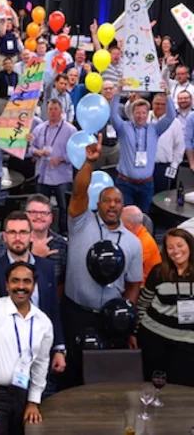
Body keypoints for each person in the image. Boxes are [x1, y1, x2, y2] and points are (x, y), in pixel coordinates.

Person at [63, 135, 143, 388]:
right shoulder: (80, 222)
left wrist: (126, 320)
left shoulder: (132, 243)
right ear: (98, 203)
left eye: (117, 201)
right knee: (71, 373)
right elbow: (78, 193)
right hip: (76, 313)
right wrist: (89, 163)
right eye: (107, 200)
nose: (112, 205)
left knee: (104, 380)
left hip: (110, 319)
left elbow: (133, 285)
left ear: (123, 206)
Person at [0, 224, 54, 434]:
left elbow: (41, 364)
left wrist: (34, 401)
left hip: (21, 396)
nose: (21, 286)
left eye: (26, 282)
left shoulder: (43, 323)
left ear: (34, 286)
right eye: (15, 281)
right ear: (6, 285)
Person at [0, 211, 66, 372]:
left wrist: (59, 348)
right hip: (5, 357)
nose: (18, 238)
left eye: (23, 232)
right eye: (12, 232)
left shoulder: (46, 267)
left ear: (31, 236)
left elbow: (53, 310)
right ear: (4, 237)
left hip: (41, 353)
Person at [133, 228, 194, 386]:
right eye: (170, 247)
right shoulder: (159, 272)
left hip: (187, 342)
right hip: (154, 336)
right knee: (151, 384)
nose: (176, 251)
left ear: (189, 246)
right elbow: (143, 304)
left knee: (182, 388)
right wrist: (136, 330)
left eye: (180, 245)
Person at [110, 77, 174, 213]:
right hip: (125, 183)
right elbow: (113, 115)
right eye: (138, 113)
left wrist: (167, 94)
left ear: (147, 114)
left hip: (146, 184)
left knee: (144, 218)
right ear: (132, 113)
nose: (141, 116)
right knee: (125, 218)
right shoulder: (123, 128)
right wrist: (117, 92)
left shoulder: (155, 129)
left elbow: (171, 117)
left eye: (144, 113)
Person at [29, 100, 77, 234]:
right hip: (43, 175)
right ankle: (41, 232)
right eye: (50, 109)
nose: (53, 112)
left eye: (56, 109)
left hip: (61, 176)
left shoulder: (70, 130)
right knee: (41, 207)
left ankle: (64, 233)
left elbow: (76, 152)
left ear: (61, 111)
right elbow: (31, 148)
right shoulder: (39, 128)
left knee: (63, 207)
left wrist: (62, 159)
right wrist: (37, 152)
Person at [121, 205, 162, 285]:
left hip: (142, 286)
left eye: (120, 222)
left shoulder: (142, 244)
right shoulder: (139, 232)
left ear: (130, 225)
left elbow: (127, 271)